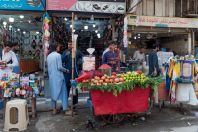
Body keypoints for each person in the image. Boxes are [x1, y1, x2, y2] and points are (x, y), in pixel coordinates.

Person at [47, 42, 71, 115]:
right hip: (59, 77)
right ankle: (65, 109)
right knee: (64, 93)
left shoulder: (48, 56)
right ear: (56, 47)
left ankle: (54, 109)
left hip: (52, 77)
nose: (59, 48)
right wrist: (67, 70)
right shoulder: (58, 55)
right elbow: (59, 67)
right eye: (58, 46)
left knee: (53, 92)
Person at [62, 41, 83, 107]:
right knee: (67, 88)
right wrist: (66, 55)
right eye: (68, 44)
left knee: (75, 88)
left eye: (71, 44)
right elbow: (62, 60)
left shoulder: (77, 51)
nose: (69, 46)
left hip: (75, 73)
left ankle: (74, 104)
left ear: (74, 45)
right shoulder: (65, 52)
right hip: (67, 73)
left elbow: (82, 57)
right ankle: (65, 103)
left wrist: (79, 62)